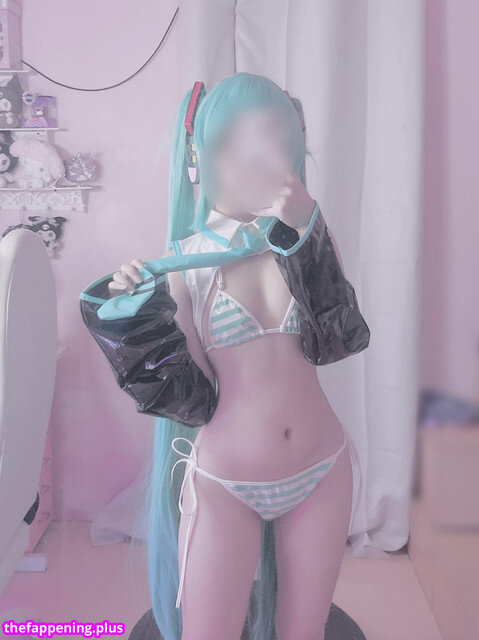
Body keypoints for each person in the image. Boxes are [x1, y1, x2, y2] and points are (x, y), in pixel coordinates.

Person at [80, 72, 370, 640]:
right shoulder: (184, 264)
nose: (253, 158)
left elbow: (337, 338)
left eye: (270, 137)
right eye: (232, 142)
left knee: (303, 633)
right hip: (226, 483)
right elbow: (188, 395)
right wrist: (132, 314)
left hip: (322, 467)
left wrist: (305, 224)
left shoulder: (309, 240)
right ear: (200, 159)